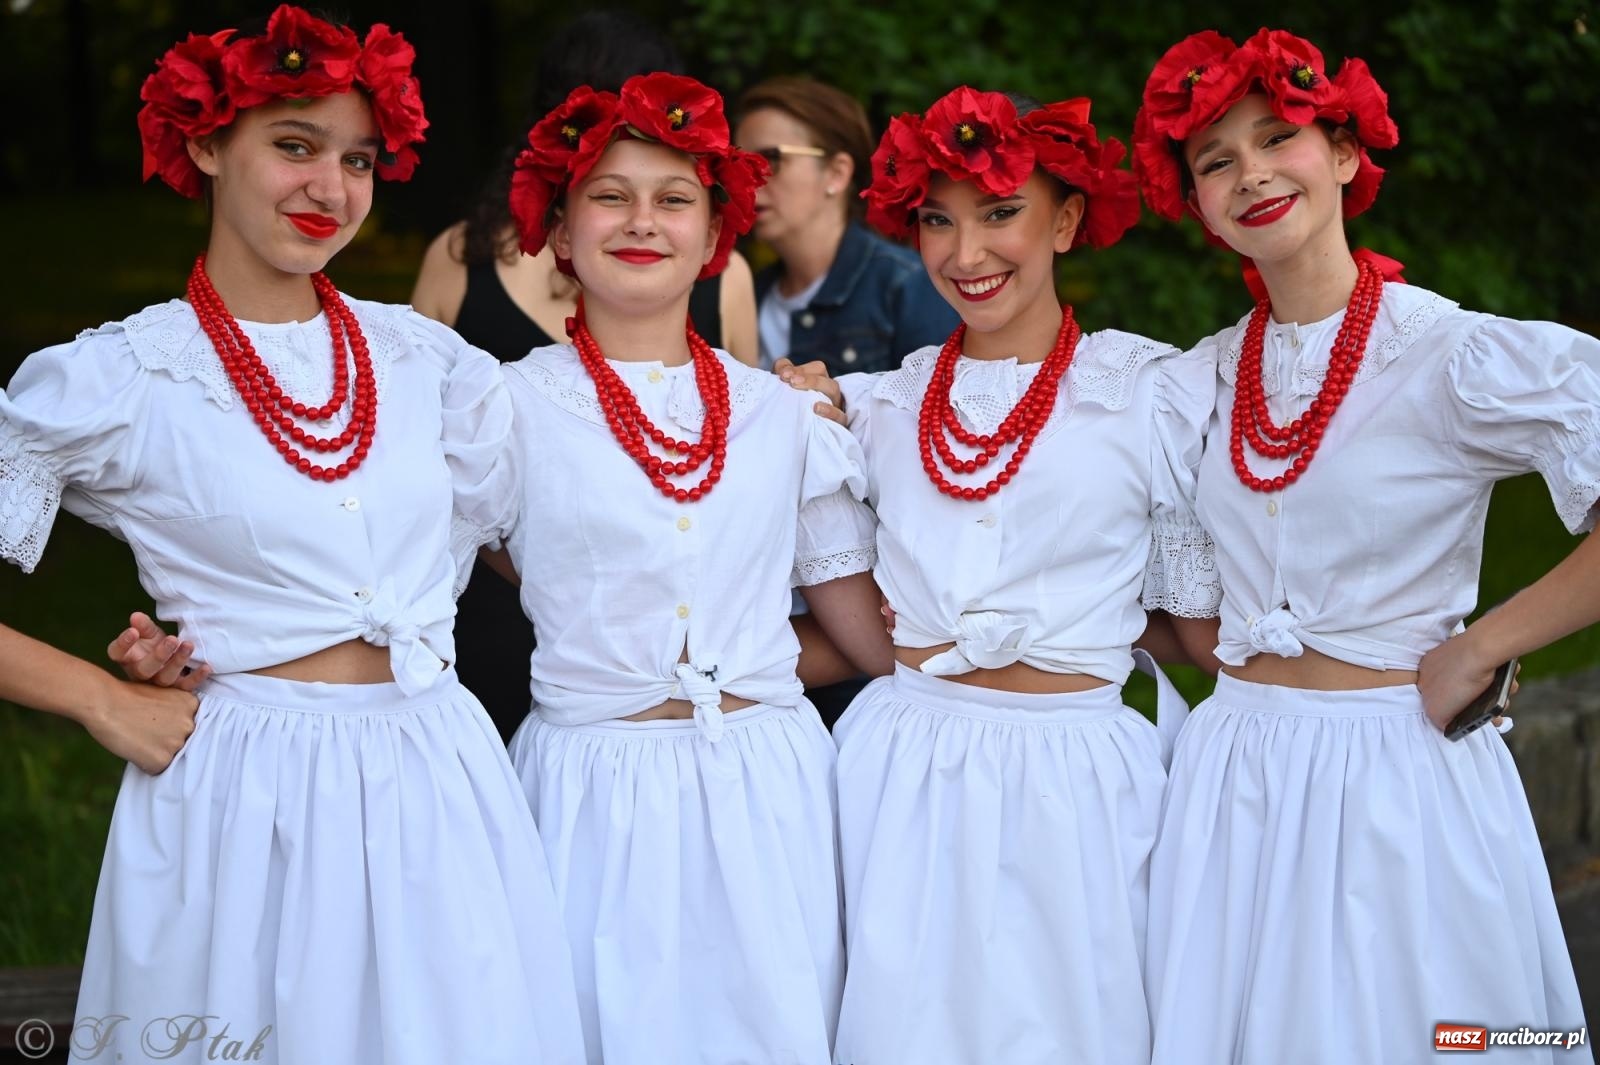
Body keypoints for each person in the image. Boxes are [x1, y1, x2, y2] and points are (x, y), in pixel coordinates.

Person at [0, 8, 584, 1062]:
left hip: (435, 781)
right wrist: (102, 699)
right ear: (207, 143)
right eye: (294, 146)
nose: (330, 188)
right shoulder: (123, 380)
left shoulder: (428, 365)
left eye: (356, 158)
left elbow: (585, 531)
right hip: (242, 799)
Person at [1130, 28, 1598, 1064]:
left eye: (1278, 137)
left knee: (1420, 1034)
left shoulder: (1447, 354)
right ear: (1196, 201)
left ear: (1343, 155)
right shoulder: (1201, 380)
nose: (1248, 173)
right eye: (1214, 160)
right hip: (1236, 772)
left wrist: (1483, 648)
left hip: (1399, 774)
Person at [804, 85, 1221, 1065]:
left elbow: (1196, 614)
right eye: (938, 222)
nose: (964, 253)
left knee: (1082, 1019)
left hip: (1076, 773)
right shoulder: (878, 406)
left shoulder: (1145, 394)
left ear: (1067, 218)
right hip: (907, 765)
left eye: (1000, 214)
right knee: (907, 1020)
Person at [490, 72, 893, 1064]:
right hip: (585, 789)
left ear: (716, 235)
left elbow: (867, 639)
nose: (642, 222)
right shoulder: (501, 412)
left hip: (762, 785)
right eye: (610, 196)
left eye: (673, 199)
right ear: (562, 227)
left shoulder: (782, 415)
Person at [411, 10, 757, 742]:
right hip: (524, 633)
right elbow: (425, 456)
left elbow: (739, 448)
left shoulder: (458, 252)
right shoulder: (461, 257)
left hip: (651, 656)